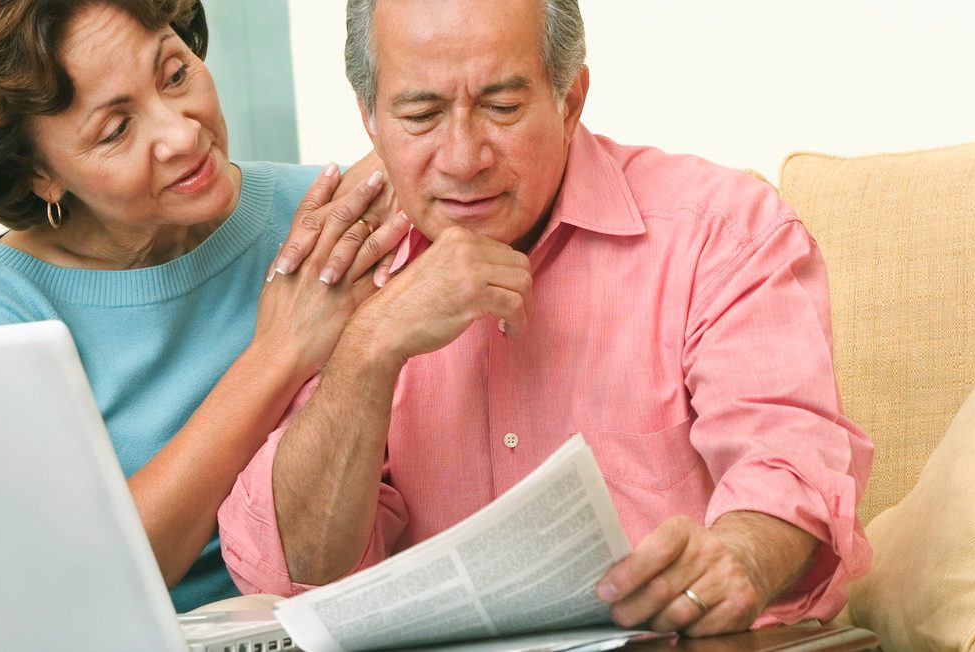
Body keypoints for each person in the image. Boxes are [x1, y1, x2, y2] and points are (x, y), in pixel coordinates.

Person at [218, 0, 874, 637]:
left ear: (570, 101)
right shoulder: (348, 269)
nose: (463, 157)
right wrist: (370, 348)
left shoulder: (721, 232)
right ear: (370, 119)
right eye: (420, 114)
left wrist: (741, 557)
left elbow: (787, 462)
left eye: (501, 107)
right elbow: (297, 572)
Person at [0, 0, 407, 612]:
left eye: (175, 73)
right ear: (39, 173)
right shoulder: (1, 308)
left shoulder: (320, 218)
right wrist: (277, 353)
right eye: (116, 130)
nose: (182, 133)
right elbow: (91, 579)